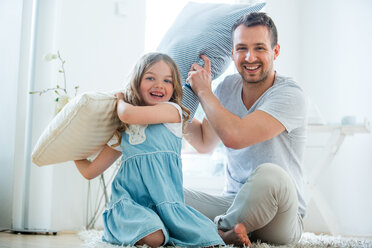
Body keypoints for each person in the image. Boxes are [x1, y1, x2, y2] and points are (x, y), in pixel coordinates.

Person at [74, 53, 225, 247]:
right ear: (136, 83)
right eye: (150, 78)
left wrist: (120, 101)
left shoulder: (173, 112)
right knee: (155, 237)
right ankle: (128, 228)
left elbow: (128, 114)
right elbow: (90, 171)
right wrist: (71, 150)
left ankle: (226, 235)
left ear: (174, 88)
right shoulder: (124, 131)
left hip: (167, 203)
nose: (159, 85)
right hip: (131, 205)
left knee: (207, 237)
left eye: (167, 80)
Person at [184, 12, 308, 246]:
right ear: (232, 53)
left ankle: (214, 232)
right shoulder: (225, 89)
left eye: (260, 48)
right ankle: (229, 230)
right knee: (167, 194)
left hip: (280, 216)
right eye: (242, 48)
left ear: (275, 51)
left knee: (269, 175)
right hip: (234, 204)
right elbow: (203, 142)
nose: (250, 57)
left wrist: (204, 92)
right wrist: (171, 108)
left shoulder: (290, 94)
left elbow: (235, 136)